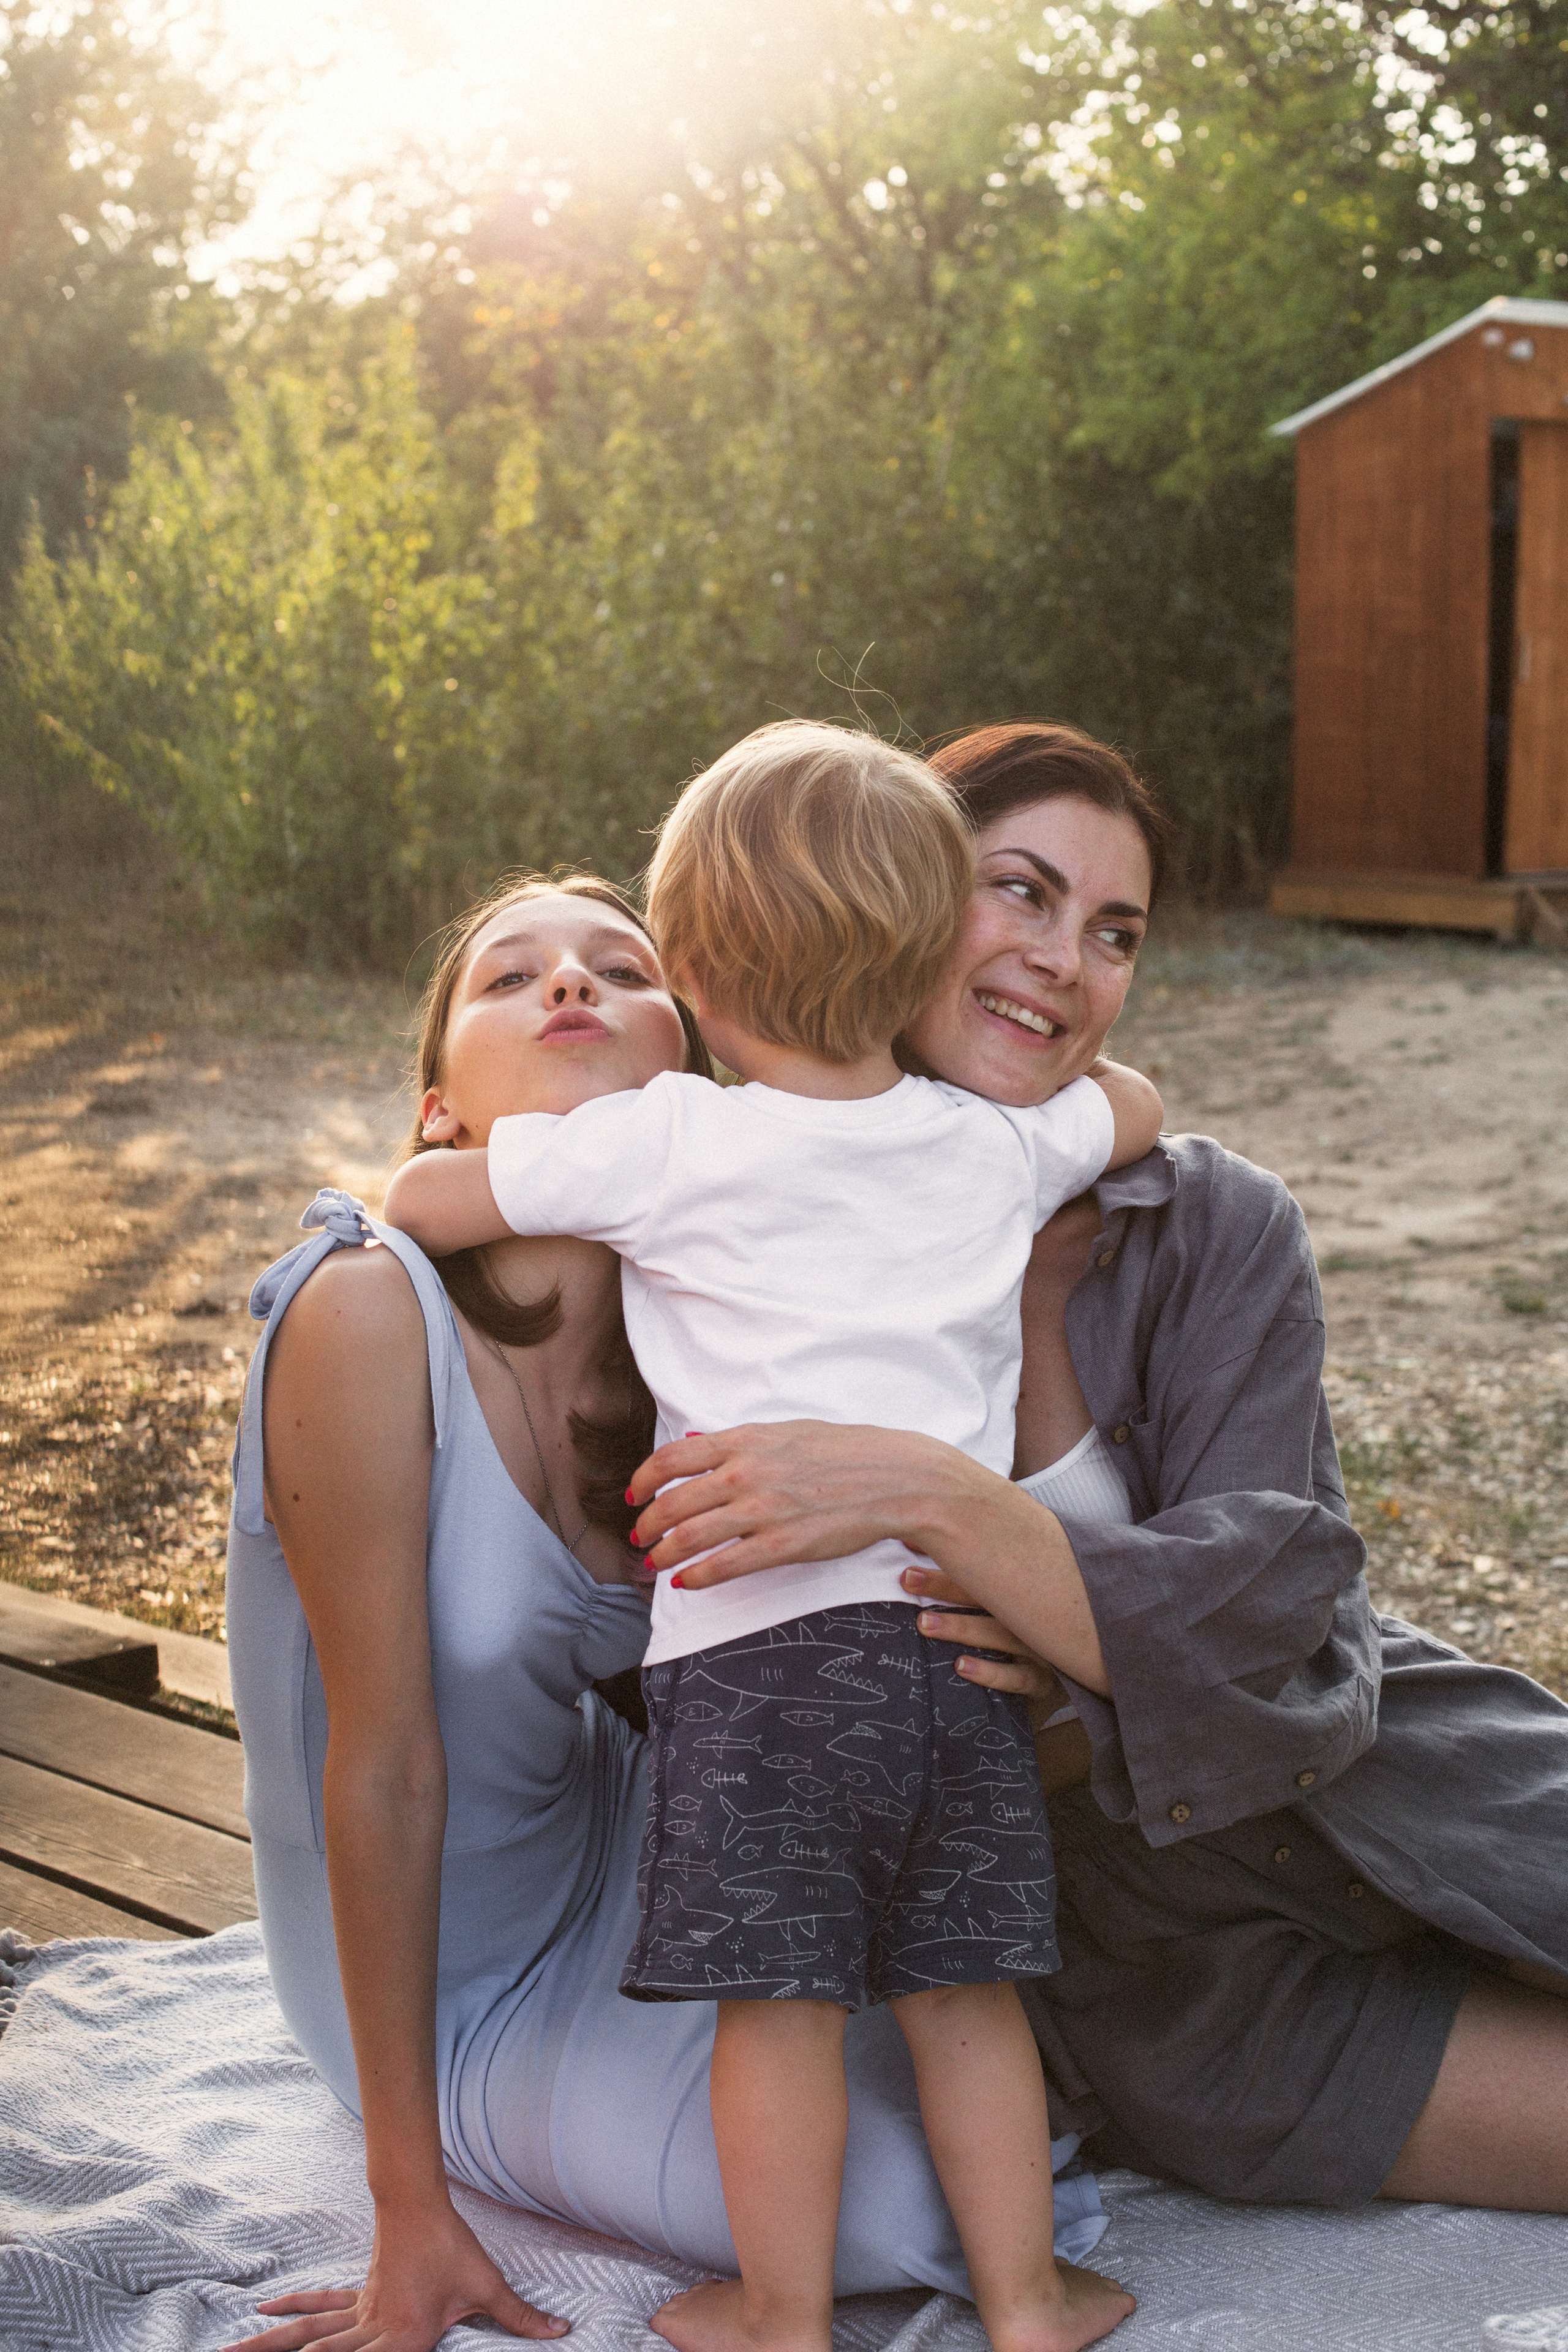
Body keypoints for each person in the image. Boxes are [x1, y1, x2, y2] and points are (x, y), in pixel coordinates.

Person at [622, 720, 1568, 2223]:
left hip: (1399, 1785)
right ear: (899, 892)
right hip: (1172, 1974)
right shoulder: (710, 1239)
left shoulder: (1212, 1224)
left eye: (1112, 931)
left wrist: (932, 1498)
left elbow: (1272, 1614)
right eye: (1020, 892)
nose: (1066, 960)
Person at [221, 867, 1108, 2352]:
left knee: (1001, 2075)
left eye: (619, 968)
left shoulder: (711, 1347)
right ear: (438, 1110)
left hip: (659, 1869)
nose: (569, 987)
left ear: (695, 1078)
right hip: (443, 1966)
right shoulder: (367, 1306)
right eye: (509, 979)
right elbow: (381, 1768)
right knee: (895, 2217)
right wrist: (410, 2207)